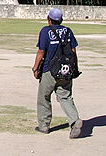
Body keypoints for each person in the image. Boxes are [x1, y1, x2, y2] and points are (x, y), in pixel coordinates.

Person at [33, 8, 82, 139]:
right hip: (65, 69)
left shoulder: (46, 31)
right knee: (65, 97)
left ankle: (44, 125)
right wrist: (74, 68)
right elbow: (73, 51)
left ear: (49, 19)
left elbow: (41, 52)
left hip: (49, 70)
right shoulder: (68, 31)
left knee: (44, 97)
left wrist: (35, 68)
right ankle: (75, 120)